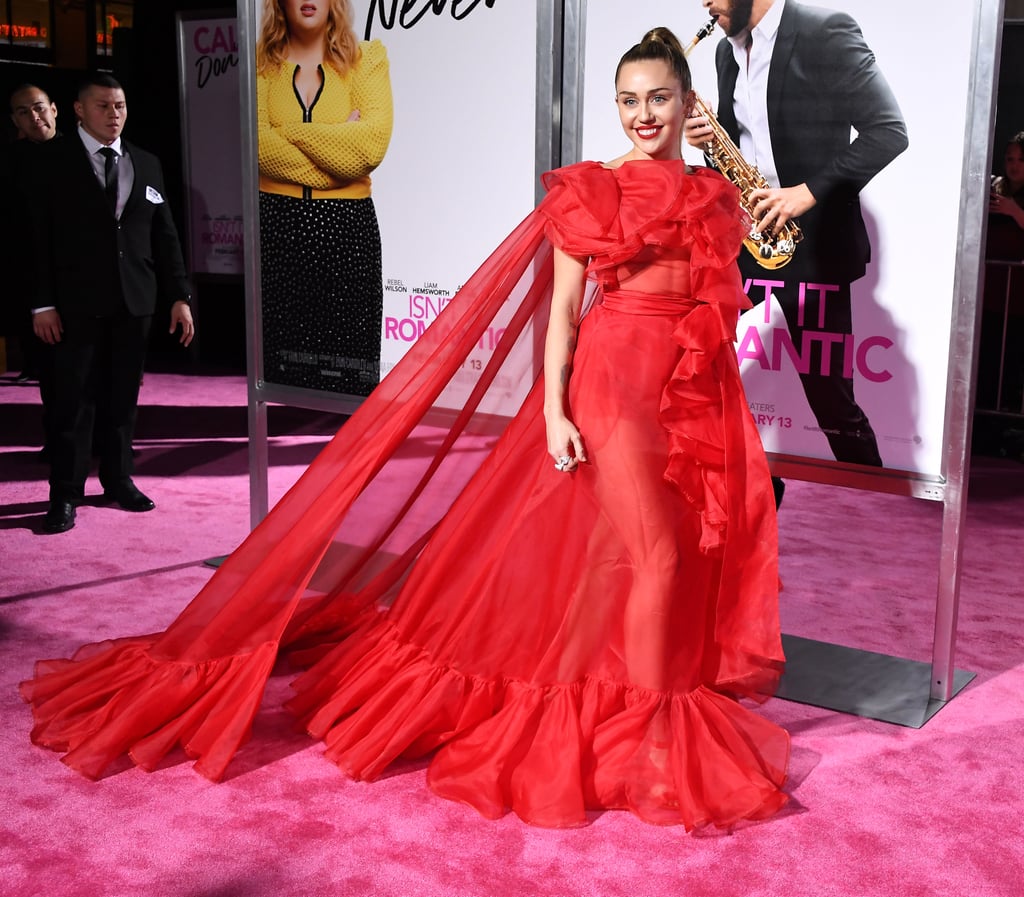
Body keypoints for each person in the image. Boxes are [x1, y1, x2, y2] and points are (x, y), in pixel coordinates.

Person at [21, 29, 789, 831]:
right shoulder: (593, 188)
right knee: (657, 553)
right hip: (616, 384)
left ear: (687, 103)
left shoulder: (713, 190)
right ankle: (651, 723)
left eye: (658, 98)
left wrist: (727, 150)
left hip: (693, 386)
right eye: (628, 99)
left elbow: (770, 243)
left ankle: (610, 690)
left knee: (644, 552)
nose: (642, 114)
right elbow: (563, 314)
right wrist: (558, 408)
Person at [685, 0, 908, 466]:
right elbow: (744, 148)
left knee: (830, 403)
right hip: (749, 236)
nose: (704, 2)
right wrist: (712, 141)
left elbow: (888, 132)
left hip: (813, 246)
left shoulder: (825, 30)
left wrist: (804, 193)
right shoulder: (727, 52)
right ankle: (748, 478)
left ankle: (874, 502)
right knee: (693, 355)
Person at [26, 74, 195, 534]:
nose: (114, 114)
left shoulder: (147, 162)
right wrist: (42, 304)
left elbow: (166, 236)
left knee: (122, 398)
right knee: (70, 402)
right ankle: (64, 493)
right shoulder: (48, 162)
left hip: (134, 299)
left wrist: (180, 295)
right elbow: (34, 239)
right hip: (72, 304)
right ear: (78, 110)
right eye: (103, 106)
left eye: (120, 105)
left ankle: (118, 479)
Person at [257, 0, 393, 395]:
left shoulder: (367, 59)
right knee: (284, 359)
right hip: (277, 222)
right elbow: (258, 145)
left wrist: (288, 131)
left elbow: (369, 147)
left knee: (350, 356)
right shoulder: (261, 64)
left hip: (346, 225)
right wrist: (337, 147)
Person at [2, 85, 61, 397]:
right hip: (26, 266)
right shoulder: (9, 162)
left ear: (54, 109)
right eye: (23, 112)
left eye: (38, 107)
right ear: (15, 121)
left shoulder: (82, 153)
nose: (34, 116)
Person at [978, 132, 1024, 411]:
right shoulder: (994, 186)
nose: (1014, 165)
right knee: (987, 361)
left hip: (1017, 296)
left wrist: (1013, 210)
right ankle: (983, 422)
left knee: (1011, 361)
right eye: (1010, 158)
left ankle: (1006, 421)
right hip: (988, 292)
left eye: (1021, 159)